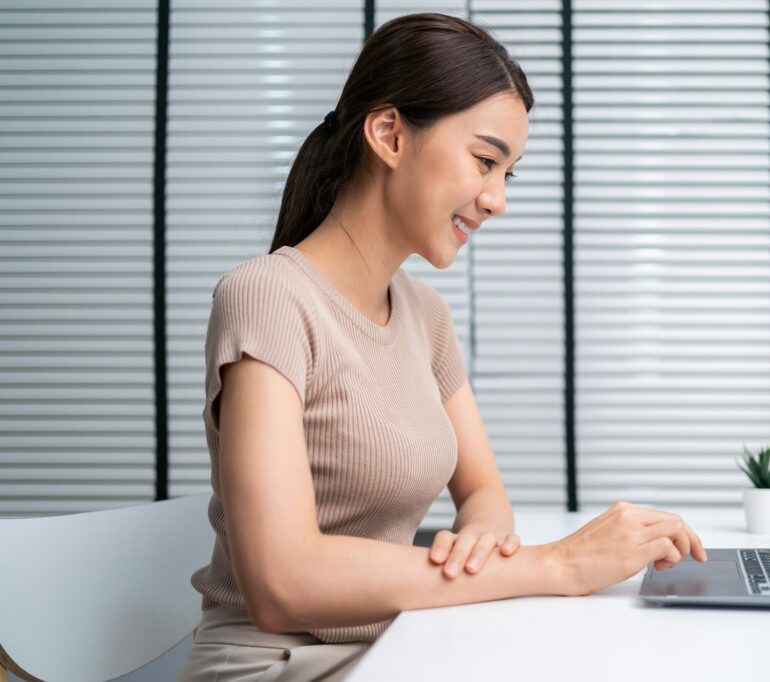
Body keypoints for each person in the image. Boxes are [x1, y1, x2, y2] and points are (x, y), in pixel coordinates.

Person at [178, 12, 707, 681]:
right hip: (280, 664)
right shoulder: (266, 297)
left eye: (509, 172)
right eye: (486, 161)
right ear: (389, 134)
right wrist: (555, 564)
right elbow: (283, 581)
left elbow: (484, 489)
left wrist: (483, 535)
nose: (498, 200)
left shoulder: (425, 315)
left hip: (402, 646)